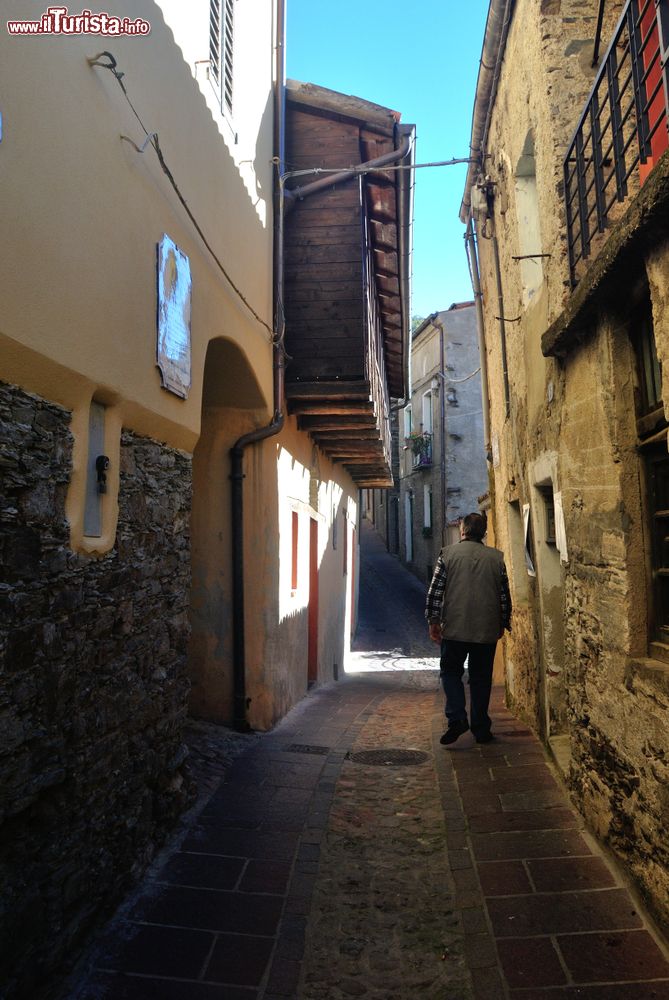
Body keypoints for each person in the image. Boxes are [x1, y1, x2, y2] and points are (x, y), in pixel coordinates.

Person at [425, 512, 512, 745]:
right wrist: (504, 622)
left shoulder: (448, 555)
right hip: (486, 629)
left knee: (451, 672)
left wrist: (434, 621)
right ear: (484, 533)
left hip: (455, 627)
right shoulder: (496, 558)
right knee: (481, 678)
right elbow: (504, 594)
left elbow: (435, 592)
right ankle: (481, 729)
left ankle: (456, 718)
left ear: (462, 531)